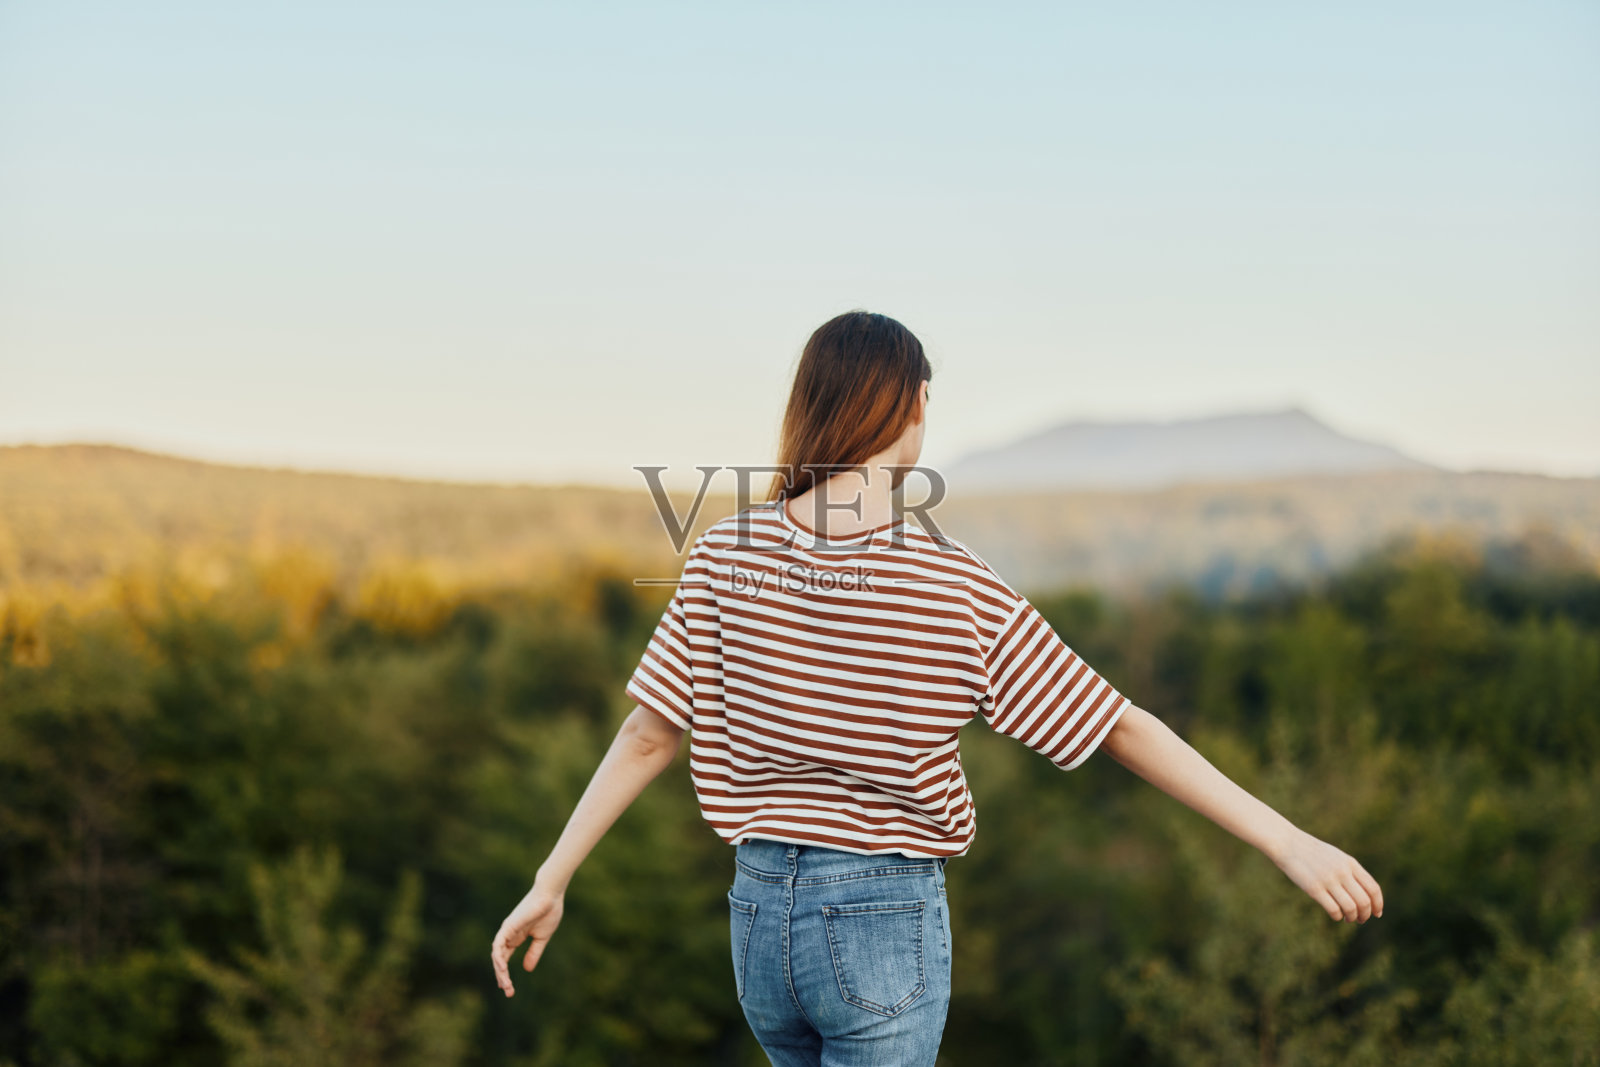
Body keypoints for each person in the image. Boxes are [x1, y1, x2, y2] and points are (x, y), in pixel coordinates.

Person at [490, 310, 1384, 1066]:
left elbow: (649, 734)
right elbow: (1117, 725)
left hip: (758, 914)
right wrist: (1287, 839)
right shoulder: (955, 583)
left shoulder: (726, 553)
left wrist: (551, 876)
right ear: (912, 408)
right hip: (881, 917)